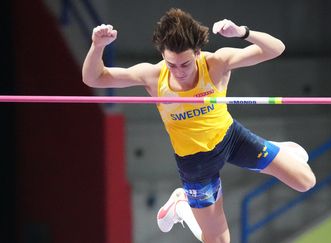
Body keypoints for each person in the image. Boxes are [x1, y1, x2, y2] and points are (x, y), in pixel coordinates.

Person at [82, 8, 316, 243]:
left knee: (305, 181)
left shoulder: (216, 63)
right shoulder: (153, 76)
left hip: (231, 139)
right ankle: (181, 205)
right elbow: (94, 78)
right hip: (195, 164)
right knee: (218, 241)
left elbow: (275, 49)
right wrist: (97, 46)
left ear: (197, 52)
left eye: (185, 64)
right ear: (163, 56)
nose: (179, 71)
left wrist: (242, 32)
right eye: (171, 64)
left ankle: (273, 149)